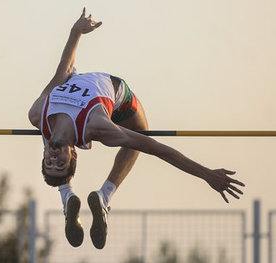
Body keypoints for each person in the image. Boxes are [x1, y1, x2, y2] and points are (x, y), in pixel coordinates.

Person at [28, 8, 245, 249]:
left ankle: (67, 196)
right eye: (61, 164)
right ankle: (103, 197)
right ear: (73, 153)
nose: (55, 158)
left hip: (96, 90)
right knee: (142, 133)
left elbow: (65, 70)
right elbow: (157, 148)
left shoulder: (38, 112)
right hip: (116, 98)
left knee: (45, 128)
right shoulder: (98, 127)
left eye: (50, 161)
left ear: (46, 154)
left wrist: (75, 32)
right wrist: (206, 174)